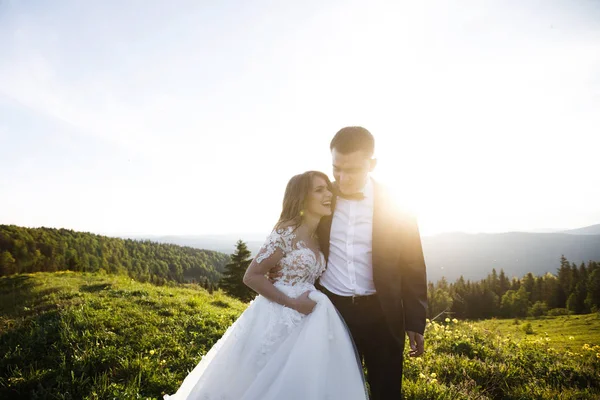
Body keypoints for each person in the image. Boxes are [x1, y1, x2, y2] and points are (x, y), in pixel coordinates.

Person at [164, 171, 368, 400]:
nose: (328, 194)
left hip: (311, 316)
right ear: (302, 197)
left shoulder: (319, 234)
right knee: (260, 378)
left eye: (327, 189)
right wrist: (292, 303)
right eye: (319, 190)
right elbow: (251, 276)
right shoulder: (286, 231)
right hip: (280, 313)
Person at [272, 126, 428, 399]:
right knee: (336, 388)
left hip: (384, 312)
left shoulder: (397, 202)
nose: (342, 179)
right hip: (333, 310)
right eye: (336, 169)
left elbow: (413, 263)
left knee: (387, 389)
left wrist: (415, 320)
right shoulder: (321, 196)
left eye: (352, 170)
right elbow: (292, 232)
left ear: (372, 164)